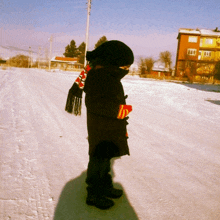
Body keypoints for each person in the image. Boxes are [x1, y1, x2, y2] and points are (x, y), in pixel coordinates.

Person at [83, 40, 134, 210]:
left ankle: (104, 187)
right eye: (125, 67)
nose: (126, 70)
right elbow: (94, 103)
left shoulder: (108, 75)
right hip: (100, 129)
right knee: (98, 161)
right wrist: (119, 110)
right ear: (113, 63)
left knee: (105, 160)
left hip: (108, 128)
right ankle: (93, 194)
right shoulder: (98, 77)